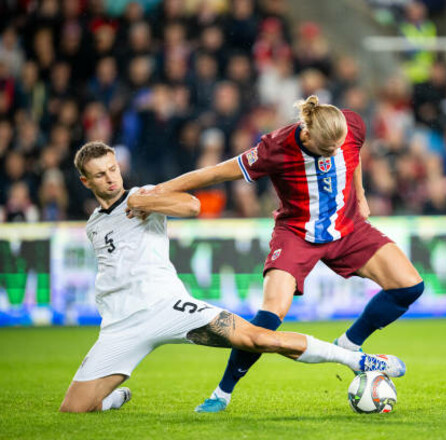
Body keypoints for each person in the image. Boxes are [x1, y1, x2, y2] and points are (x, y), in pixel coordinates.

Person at [58, 141, 406, 413]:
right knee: (73, 410)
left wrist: (149, 204)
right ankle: (111, 400)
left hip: (167, 307)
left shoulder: (142, 197)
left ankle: (359, 360)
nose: (111, 177)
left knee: (259, 339)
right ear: (86, 181)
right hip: (120, 324)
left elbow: (192, 206)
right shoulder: (94, 225)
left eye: (113, 168)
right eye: (101, 174)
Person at [152, 96, 424, 412]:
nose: (334, 152)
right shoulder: (275, 148)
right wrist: (158, 191)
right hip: (296, 234)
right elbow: (214, 174)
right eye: (327, 149)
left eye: (338, 146)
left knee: (409, 286)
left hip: (347, 226)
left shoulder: (350, 125)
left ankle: (349, 344)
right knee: (268, 318)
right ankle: (221, 394)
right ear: (307, 135)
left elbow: (354, 154)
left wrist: (360, 194)